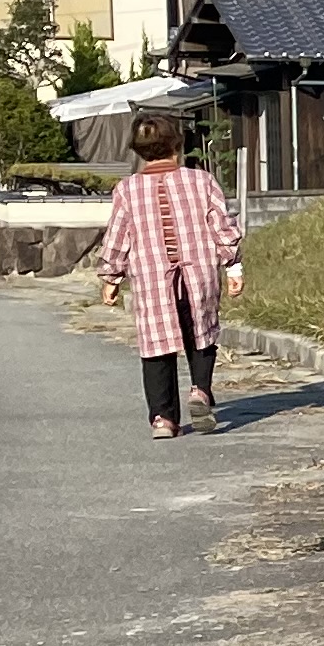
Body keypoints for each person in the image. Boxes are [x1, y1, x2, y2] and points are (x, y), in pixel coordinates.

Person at [94, 112, 242, 438]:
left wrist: (111, 276)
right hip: (199, 271)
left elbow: (118, 235)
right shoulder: (201, 181)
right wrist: (233, 265)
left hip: (152, 278)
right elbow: (222, 225)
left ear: (138, 150)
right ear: (177, 144)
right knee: (202, 333)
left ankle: (163, 419)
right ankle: (200, 390)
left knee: (156, 345)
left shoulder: (127, 190)